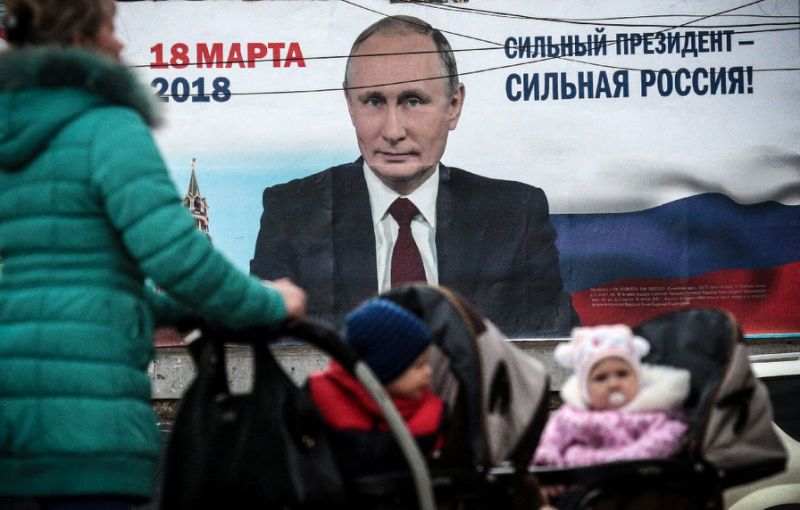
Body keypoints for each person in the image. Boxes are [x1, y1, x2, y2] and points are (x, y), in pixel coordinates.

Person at [0, 0, 306, 507]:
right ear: (79, 41)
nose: (121, 43)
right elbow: (179, 259)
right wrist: (272, 303)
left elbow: (64, 284)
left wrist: (166, 309)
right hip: (86, 421)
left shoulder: (14, 137)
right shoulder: (106, 127)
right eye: (110, 29)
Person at [251, 15, 578, 338]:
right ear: (350, 104)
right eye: (374, 101)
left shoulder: (515, 214)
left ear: (454, 105)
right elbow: (266, 347)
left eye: (413, 101)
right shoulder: (293, 213)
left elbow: (551, 349)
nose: (393, 131)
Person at [307, 298, 445, 478]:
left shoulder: (426, 406)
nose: (429, 371)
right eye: (419, 365)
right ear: (383, 370)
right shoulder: (323, 402)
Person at [532, 325, 690, 469]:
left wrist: (624, 458)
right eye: (601, 378)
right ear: (584, 388)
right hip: (583, 481)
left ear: (638, 378)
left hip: (638, 476)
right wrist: (549, 465)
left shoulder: (654, 412)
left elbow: (668, 437)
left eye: (622, 374)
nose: (613, 384)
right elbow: (549, 443)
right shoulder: (570, 416)